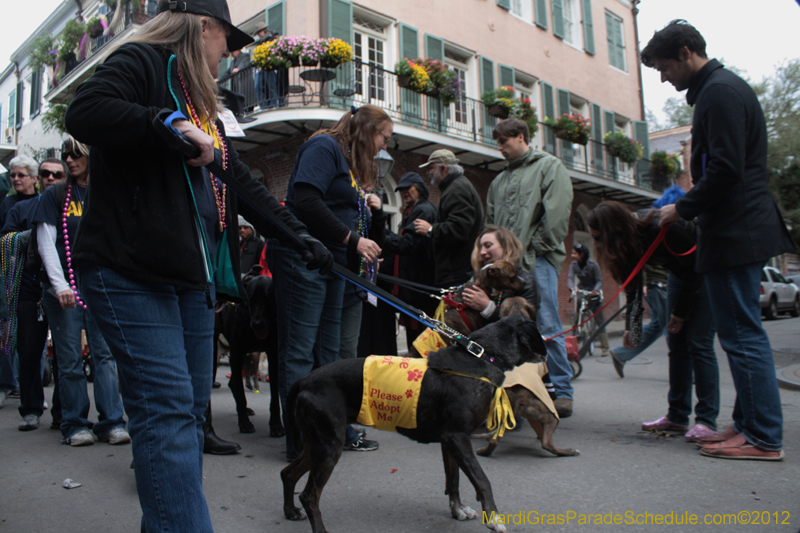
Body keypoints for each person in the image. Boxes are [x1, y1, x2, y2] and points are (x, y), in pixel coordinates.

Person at [63, 0, 333, 529]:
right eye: (229, 43)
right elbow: (84, 111)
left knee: (180, 417)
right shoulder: (143, 62)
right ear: (202, 25)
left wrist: (300, 236)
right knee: (166, 414)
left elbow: (243, 185)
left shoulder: (206, 105)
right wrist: (165, 123)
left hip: (189, 280)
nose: (231, 56)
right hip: (127, 269)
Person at [643, 20, 793, 461]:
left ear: (686, 52)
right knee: (739, 335)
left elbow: (726, 169)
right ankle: (748, 425)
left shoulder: (720, 93)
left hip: (735, 231)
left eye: (665, 67)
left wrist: (681, 208)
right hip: (733, 229)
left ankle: (763, 436)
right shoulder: (718, 90)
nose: (664, 77)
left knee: (743, 337)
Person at [268, 104, 390, 460]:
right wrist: (353, 240)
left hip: (333, 263)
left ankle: (325, 430)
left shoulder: (348, 163)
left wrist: (359, 244)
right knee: (300, 351)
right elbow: (304, 199)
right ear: (368, 130)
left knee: (329, 355)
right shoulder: (324, 147)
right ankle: (300, 441)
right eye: (384, 137)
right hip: (303, 257)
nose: (384, 147)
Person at [588, 201, 719, 443]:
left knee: (699, 344)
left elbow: (696, 270)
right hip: (681, 274)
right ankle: (677, 416)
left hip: (707, 271)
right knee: (677, 347)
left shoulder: (662, 227)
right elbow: (634, 285)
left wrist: (679, 314)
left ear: (613, 232)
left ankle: (706, 421)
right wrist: (632, 329)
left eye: (598, 237)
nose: (596, 243)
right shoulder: (628, 243)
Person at [34, 137, 130, 447]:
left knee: (105, 357)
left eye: (76, 154)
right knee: (70, 359)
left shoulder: (105, 189)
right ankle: (74, 423)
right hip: (65, 291)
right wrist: (60, 285)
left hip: (99, 288)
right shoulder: (55, 195)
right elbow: (46, 242)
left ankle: (112, 421)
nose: (70, 161)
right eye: (66, 156)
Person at [485, 118, 574, 417]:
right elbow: (493, 224)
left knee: (547, 323)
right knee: (510, 325)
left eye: (504, 143)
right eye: (497, 143)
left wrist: (532, 248)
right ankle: (520, 390)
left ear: (521, 137)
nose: (499, 149)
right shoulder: (499, 181)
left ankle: (563, 391)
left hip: (538, 260)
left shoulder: (549, 166)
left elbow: (557, 215)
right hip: (508, 267)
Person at [1, 158, 68, 431]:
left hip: (64, 289)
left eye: (57, 174)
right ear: (38, 177)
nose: (50, 178)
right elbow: (5, 240)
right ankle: (30, 409)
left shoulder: (71, 206)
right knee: (29, 351)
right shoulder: (22, 208)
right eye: (45, 173)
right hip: (30, 290)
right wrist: (37, 233)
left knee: (66, 355)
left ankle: (64, 413)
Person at [0, 155, 42, 407]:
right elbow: (5, 239)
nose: (15, 179)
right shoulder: (8, 206)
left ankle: (34, 394)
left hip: (40, 282)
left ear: (33, 179)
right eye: (13, 175)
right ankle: (9, 386)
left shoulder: (46, 201)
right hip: (11, 278)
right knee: (11, 334)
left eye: (20, 175)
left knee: (35, 343)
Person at [413, 149, 483, 288]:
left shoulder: (457, 189)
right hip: (458, 270)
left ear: (443, 168)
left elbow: (460, 228)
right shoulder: (456, 186)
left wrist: (431, 229)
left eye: (431, 168)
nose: (428, 173)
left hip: (457, 272)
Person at [382, 172, 437, 345]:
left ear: (419, 189)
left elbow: (409, 245)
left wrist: (382, 233)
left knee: (418, 335)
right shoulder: (412, 209)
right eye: (401, 189)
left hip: (417, 283)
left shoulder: (423, 210)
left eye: (408, 188)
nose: (404, 192)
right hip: (414, 283)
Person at [461, 225, 540, 320]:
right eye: (480, 247)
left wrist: (488, 308)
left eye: (488, 246)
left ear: (506, 247)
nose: (482, 252)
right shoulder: (474, 281)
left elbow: (523, 326)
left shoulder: (526, 282)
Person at [608, 265, 668, 377]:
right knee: (670, 327)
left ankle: (621, 354)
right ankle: (683, 372)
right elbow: (643, 259)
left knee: (658, 325)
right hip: (659, 285)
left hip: (656, 286)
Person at [566, 243, 609, 356]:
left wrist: (596, 290)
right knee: (577, 317)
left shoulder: (593, 265)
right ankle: (574, 344)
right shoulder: (574, 264)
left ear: (582, 255)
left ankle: (605, 347)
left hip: (594, 293)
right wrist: (572, 287)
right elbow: (570, 277)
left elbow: (599, 280)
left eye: (574, 253)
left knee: (599, 320)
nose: (572, 255)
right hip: (582, 291)